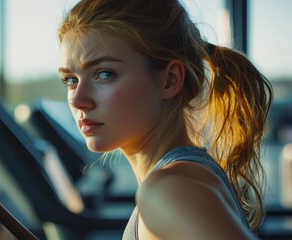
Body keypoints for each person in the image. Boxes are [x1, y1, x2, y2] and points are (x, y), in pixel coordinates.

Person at [57, 0, 273, 239]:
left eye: (104, 74)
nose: (78, 100)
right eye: (70, 80)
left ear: (169, 80)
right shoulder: (181, 178)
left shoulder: (169, 189)